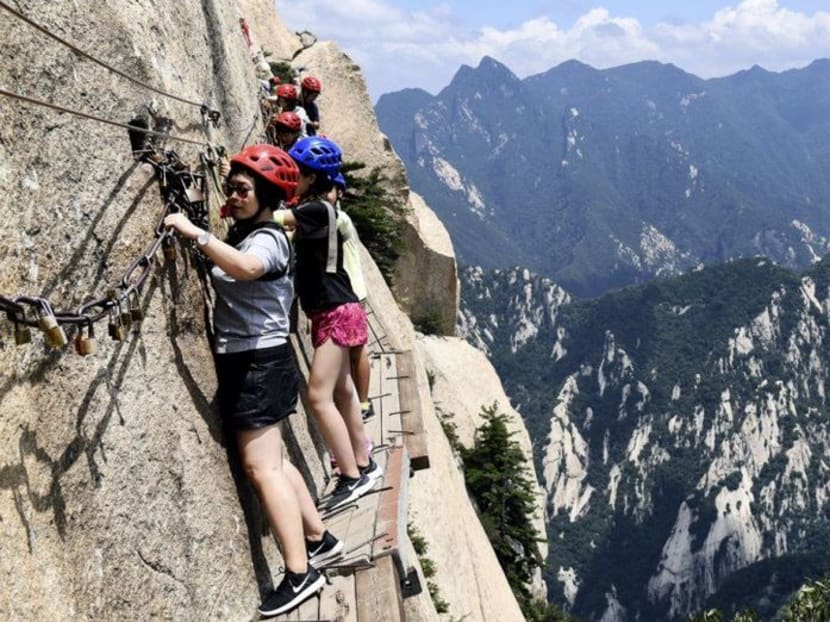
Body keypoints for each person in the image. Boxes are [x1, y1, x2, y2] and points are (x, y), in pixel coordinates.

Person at [163, 144, 342, 617]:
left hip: (257, 363)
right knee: (275, 462)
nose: (233, 196)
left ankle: (301, 573)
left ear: (267, 196)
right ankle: (319, 538)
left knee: (261, 468)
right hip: (263, 359)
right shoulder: (251, 232)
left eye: (243, 190)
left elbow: (247, 268)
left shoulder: (267, 240)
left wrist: (196, 233)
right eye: (232, 188)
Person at [273, 136, 381, 511]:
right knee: (343, 391)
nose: (292, 179)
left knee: (319, 397)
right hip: (337, 308)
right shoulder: (320, 210)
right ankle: (363, 462)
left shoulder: (317, 209)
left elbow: (276, 219)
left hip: (334, 311)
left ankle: (350, 476)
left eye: (296, 174)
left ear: (311, 177)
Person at [330, 173, 374, 421]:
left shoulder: (340, 219)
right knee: (354, 351)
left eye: (330, 189)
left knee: (357, 351)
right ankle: (360, 401)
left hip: (351, 293)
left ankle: (363, 402)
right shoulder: (334, 216)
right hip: (350, 291)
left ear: (339, 193)